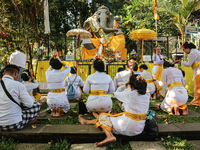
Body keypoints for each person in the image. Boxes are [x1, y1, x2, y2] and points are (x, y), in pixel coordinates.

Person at [79, 71, 150, 147]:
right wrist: (130, 83)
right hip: (139, 129)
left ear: (131, 86)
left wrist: (126, 83)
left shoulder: (129, 94)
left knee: (103, 117)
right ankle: (86, 122)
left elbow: (115, 93)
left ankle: (109, 136)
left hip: (127, 128)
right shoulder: (147, 94)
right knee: (112, 117)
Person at [0, 64, 42, 131]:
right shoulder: (18, 85)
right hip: (14, 124)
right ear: (16, 73)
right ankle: (31, 120)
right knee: (37, 104)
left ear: (3, 73)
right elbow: (29, 104)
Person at [174, 42, 200, 106]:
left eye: (184, 50)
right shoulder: (196, 51)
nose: (184, 51)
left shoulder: (192, 53)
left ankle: (197, 102)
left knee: (198, 88)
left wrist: (181, 62)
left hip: (198, 72)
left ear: (188, 48)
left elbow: (188, 64)